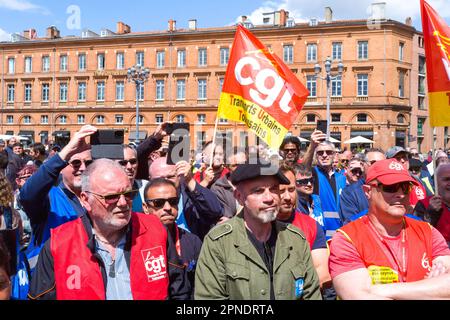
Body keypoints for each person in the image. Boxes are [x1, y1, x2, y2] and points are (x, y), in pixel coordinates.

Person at [28, 159, 190, 300]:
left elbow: (180, 290)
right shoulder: (59, 245)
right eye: (111, 197)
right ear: (85, 199)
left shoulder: (156, 231)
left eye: (128, 194)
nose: (122, 203)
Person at [195, 163, 322, 300]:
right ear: (239, 197)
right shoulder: (219, 242)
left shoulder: (296, 239)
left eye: (274, 189)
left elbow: (312, 294)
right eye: (258, 191)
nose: (269, 198)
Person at [329, 159, 450, 299]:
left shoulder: (428, 232)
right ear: (367, 191)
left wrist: (385, 290)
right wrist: (428, 289)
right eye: (390, 187)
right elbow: (357, 295)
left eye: (405, 187)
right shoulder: (347, 238)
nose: (401, 194)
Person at [19, 125, 97, 273]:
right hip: (54, 282)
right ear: (61, 167)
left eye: (88, 162)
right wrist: (65, 153)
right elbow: (27, 194)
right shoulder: (49, 198)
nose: (82, 168)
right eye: (75, 163)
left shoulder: (100, 197)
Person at [143, 178, 202, 299]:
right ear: (145, 207)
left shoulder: (193, 241)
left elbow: (202, 286)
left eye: (173, 201)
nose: (168, 207)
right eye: (158, 203)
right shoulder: (136, 243)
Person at [277, 163, 331, 290]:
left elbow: (322, 273)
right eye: (281, 191)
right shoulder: (259, 226)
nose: (287, 197)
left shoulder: (311, 225)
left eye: (291, 190)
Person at [148, 157, 223, 240]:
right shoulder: (145, 200)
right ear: (150, 179)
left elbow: (215, 211)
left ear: (178, 176)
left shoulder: (191, 193)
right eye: (159, 178)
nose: (166, 182)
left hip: (192, 248)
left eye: (170, 177)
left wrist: (190, 180)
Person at [303, 130, 347, 240]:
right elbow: (303, 169)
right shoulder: (313, 173)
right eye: (320, 153)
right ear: (316, 156)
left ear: (335, 155)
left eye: (328, 152)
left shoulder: (342, 178)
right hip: (320, 234)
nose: (324, 155)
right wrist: (312, 146)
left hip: (340, 234)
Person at [338, 148, 386, 225]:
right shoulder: (349, 193)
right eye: (373, 163)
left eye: (382, 164)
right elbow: (351, 223)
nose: (378, 167)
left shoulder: (393, 189)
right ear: (362, 165)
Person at [414, 163, 450, 247]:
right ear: (436, 182)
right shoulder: (423, 205)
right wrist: (430, 215)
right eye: (446, 179)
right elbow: (417, 237)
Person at [211, 148, 248, 218]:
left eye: (243, 163)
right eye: (235, 165)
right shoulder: (218, 189)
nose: (241, 167)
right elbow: (226, 222)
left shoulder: (256, 181)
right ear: (227, 167)